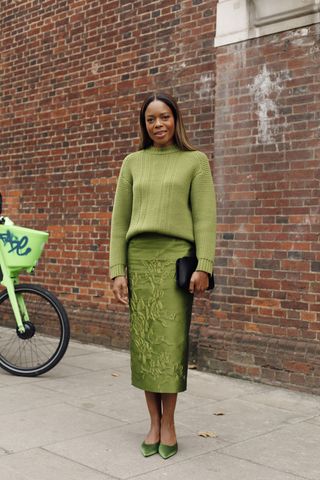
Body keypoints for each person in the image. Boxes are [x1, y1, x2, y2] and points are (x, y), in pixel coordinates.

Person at [109, 92, 216, 459]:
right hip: (139, 259)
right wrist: (116, 271)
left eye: (164, 117)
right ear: (144, 124)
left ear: (176, 119)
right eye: (151, 118)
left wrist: (204, 264)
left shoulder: (195, 161)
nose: (158, 124)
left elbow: (205, 217)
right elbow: (119, 220)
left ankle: (169, 423)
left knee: (170, 346)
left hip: (175, 262)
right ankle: (151, 423)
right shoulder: (132, 163)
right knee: (145, 346)